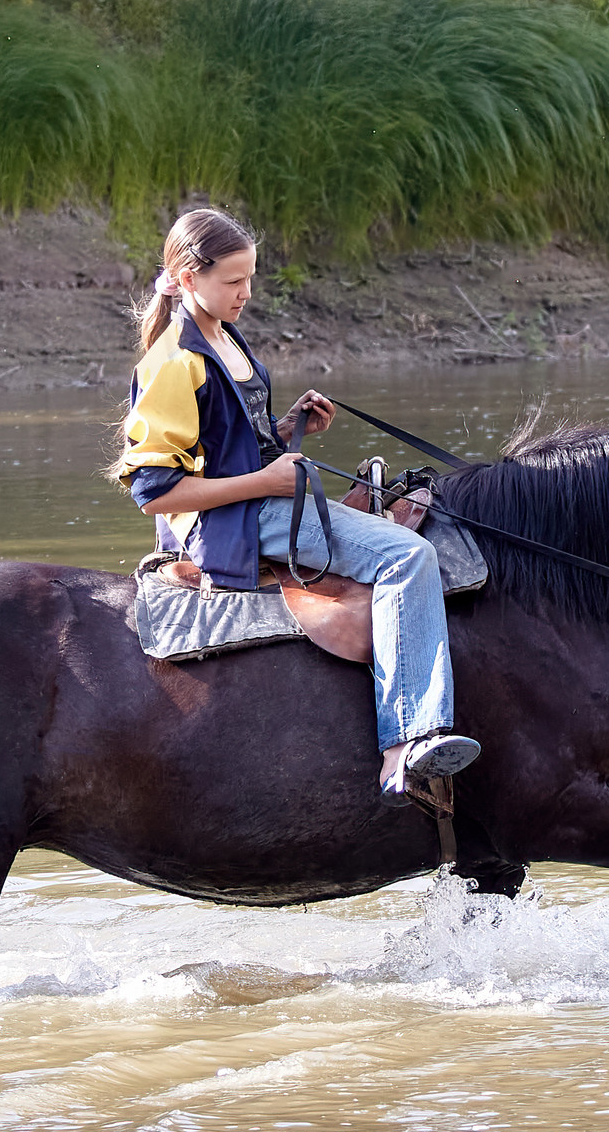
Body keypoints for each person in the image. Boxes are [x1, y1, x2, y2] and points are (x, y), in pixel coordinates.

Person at [114, 208, 479, 798]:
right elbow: (156, 495)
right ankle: (406, 744)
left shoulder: (223, 336)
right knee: (407, 557)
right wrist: (267, 483)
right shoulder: (171, 363)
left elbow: (230, 445)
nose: (245, 293)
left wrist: (285, 429)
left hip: (264, 497)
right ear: (186, 278)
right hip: (233, 522)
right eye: (232, 281)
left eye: (250, 278)